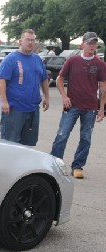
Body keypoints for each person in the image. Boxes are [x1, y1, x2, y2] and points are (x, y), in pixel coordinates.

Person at [49, 32, 106, 179]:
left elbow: (103, 88)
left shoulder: (100, 64)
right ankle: (54, 164)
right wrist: (64, 96)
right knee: (62, 135)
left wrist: (101, 108)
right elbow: (59, 79)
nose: (92, 46)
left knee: (86, 138)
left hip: (90, 108)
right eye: (89, 43)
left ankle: (77, 166)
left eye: (94, 44)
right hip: (71, 105)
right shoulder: (72, 61)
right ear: (82, 44)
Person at [0, 28, 50, 146]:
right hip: (14, 109)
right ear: (20, 42)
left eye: (32, 40)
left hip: (32, 109)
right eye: (27, 40)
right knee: (9, 143)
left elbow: (44, 79)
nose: (30, 43)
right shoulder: (10, 59)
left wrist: (47, 97)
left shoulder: (37, 60)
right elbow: (1, 80)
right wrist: (4, 101)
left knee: (28, 145)